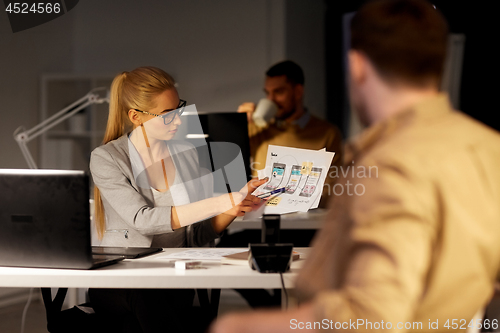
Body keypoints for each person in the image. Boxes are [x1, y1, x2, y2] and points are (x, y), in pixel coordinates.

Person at [210, 0, 500, 332]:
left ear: (357, 65)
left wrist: (240, 328)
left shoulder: (391, 161)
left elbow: (375, 315)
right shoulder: (490, 147)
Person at [88, 66, 267, 333]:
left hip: (172, 279)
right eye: (167, 115)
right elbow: (143, 220)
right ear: (136, 117)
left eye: (179, 109)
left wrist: (232, 208)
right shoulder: (107, 158)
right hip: (122, 280)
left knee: (133, 326)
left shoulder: (187, 155)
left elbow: (197, 235)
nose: (179, 121)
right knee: (145, 297)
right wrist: (220, 201)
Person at [238, 60, 343, 208]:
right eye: (267, 93)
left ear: (298, 92)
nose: (271, 100)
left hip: (303, 222)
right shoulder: (258, 128)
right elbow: (223, 166)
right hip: (259, 218)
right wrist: (237, 124)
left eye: (278, 92)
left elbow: (331, 190)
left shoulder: (327, 133)